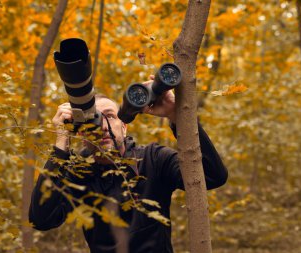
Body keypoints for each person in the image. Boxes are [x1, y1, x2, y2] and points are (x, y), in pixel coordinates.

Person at [29, 81, 228, 253]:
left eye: (110, 116)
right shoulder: (78, 172)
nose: (103, 126)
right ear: (81, 134)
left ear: (124, 127)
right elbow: (41, 219)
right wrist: (61, 142)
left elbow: (213, 176)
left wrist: (176, 115)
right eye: (94, 120)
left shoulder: (154, 159)